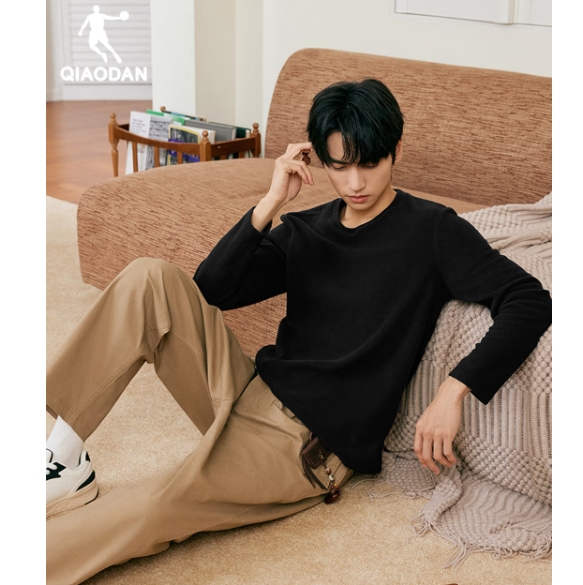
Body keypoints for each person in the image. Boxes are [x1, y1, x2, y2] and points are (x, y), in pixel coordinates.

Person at [46, 79, 552, 585]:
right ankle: (63, 457)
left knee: (151, 506)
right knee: (149, 278)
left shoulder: (433, 230)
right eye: (339, 166)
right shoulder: (308, 227)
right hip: (246, 389)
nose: (355, 182)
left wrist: (453, 390)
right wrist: (270, 202)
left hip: (301, 447)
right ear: (320, 160)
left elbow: (528, 300)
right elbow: (211, 290)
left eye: (369, 163)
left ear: (396, 151)